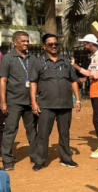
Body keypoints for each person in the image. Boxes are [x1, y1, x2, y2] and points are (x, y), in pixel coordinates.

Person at [29, 33, 81, 171]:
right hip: (46, 104)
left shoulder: (65, 62)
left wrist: (78, 99)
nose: (54, 46)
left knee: (64, 133)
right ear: (44, 46)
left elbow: (74, 81)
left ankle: (66, 158)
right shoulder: (38, 62)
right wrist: (34, 102)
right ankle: (40, 160)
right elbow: (33, 82)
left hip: (65, 104)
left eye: (56, 44)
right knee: (43, 133)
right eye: (50, 44)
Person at [0, 31, 37, 171]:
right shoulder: (8, 58)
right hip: (13, 101)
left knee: (32, 130)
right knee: (10, 130)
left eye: (27, 41)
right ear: (15, 42)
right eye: (23, 41)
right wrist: (3, 102)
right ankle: (7, 161)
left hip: (30, 101)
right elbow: (2, 81)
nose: (26, 43)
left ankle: (35, 157)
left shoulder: (32, 58)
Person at [72, 34, 98, 159]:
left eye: (85, 43)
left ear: (90, 43)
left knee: (97, 120)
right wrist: (75, 66)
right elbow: (88, 72)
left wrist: (92, 76)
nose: (84, 45)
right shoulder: (94, 56)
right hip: (95, 92)